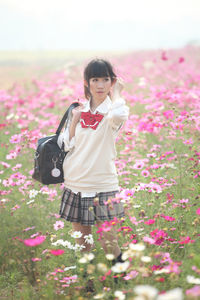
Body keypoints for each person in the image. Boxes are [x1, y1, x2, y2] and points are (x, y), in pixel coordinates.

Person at [57, 58, 129, 263]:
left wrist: (118, 93)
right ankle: (87, 282)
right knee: (83, 240)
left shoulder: (115, 110)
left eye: (105, 79)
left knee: (109, 240)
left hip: (102, 183)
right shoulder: (78, 109)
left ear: (112, 82)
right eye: (95, 79)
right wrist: (74, 122)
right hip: (75, 181)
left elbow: (119, 114)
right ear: (87, 82)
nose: (100, 85)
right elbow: (65, 145)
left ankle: (119, 281)